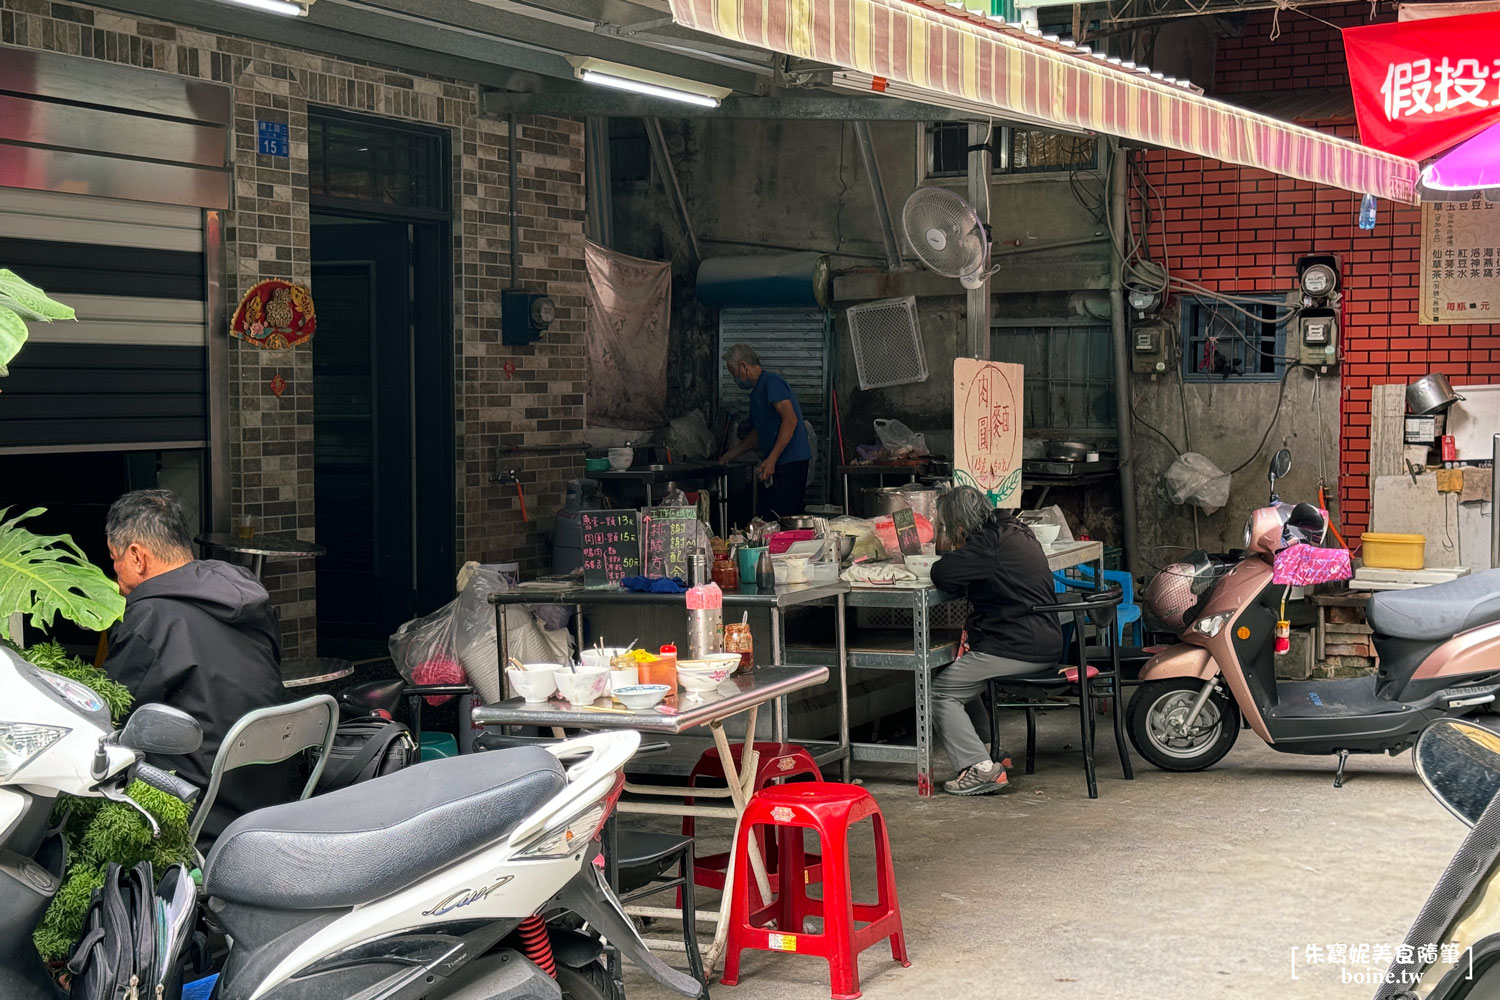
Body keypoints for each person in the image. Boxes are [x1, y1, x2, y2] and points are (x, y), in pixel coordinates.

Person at [102, 490, 291, 843]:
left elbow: (111, 715)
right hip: (271, 791)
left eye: (115, 561)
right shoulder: (245, 590)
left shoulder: (151, 618)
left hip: (202, 809)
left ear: (137, 556)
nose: (115, 574)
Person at [929, 487, 1064, 796]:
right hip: (1039, 639)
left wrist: (952, 545)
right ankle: (992, 750)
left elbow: (942, 573)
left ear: (959, 526)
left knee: (941, 692)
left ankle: (979, 767)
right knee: (959, 680)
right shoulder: (1014, 529)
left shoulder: (986, 545)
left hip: (1017, 645)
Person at [718, 344, 811, 519]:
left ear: (743, 366)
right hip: (779, 461)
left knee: (785, 516)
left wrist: (771, 460)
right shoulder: (756, 393)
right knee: (772, 515)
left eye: (734, 374)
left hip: (791, 460)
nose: (734, 380)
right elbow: (757, 434)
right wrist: (730, 456)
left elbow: (790, 420)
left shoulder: (772, 383)